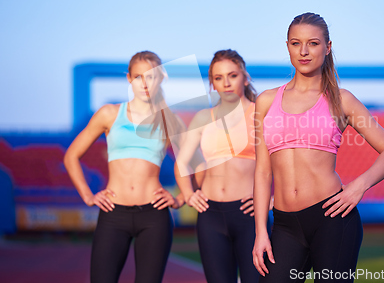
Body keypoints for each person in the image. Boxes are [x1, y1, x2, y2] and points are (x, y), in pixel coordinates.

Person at [252, 13, 384, 282]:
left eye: (313, 43)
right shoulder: (265, 101)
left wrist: (358, 187)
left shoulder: (342, 100)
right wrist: (261, 231)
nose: (304, 51)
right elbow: (263, 173)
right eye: (296, 43)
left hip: (332, 219)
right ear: (287, 46)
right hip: (284, 225)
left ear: (328, 47)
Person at [64, 51, 191, 283]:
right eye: (138, 77)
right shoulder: (109, 113)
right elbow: (71, 155)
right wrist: (88, 196)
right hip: (113, 213)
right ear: (129, 79)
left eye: (151, 77)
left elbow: (195, 162)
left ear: (161, 78)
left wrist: (180, 198)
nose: (144, 83)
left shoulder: (169, 120)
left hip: (154, 215)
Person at [174, 49, 269, 283]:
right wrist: (188, 194)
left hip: (250, 214)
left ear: (245, 78)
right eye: (218, 78)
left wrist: (271, 202)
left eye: (232, 75)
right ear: (212, 84)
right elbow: (181, 164)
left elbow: (285, 163)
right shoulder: (203, 118)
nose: (226, 83)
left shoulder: (261, 114)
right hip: (210, 215)